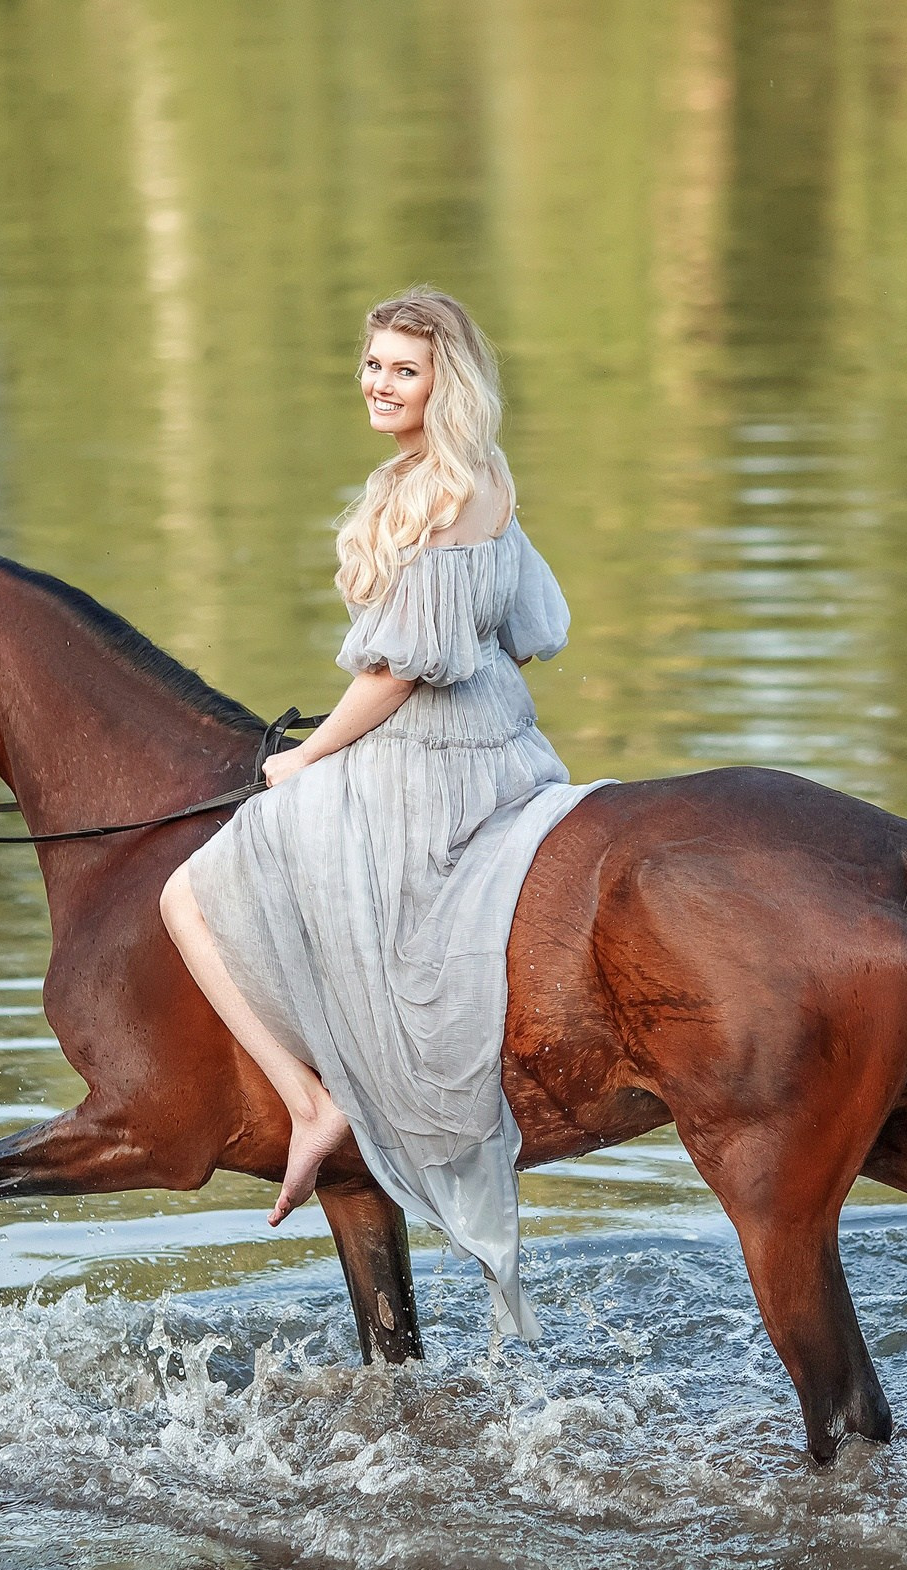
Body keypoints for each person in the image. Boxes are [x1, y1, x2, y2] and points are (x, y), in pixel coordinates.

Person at [157, 287, 605, 1338]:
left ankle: (313, 1105)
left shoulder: (448, 489)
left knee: (189, 893)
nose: (378, 382)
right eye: (371, 363)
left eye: (403, 368)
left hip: (430, 762)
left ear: (444, 380)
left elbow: (401, 670)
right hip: (502, 738)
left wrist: (307, 757)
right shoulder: (444, 477)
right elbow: (534, 627)